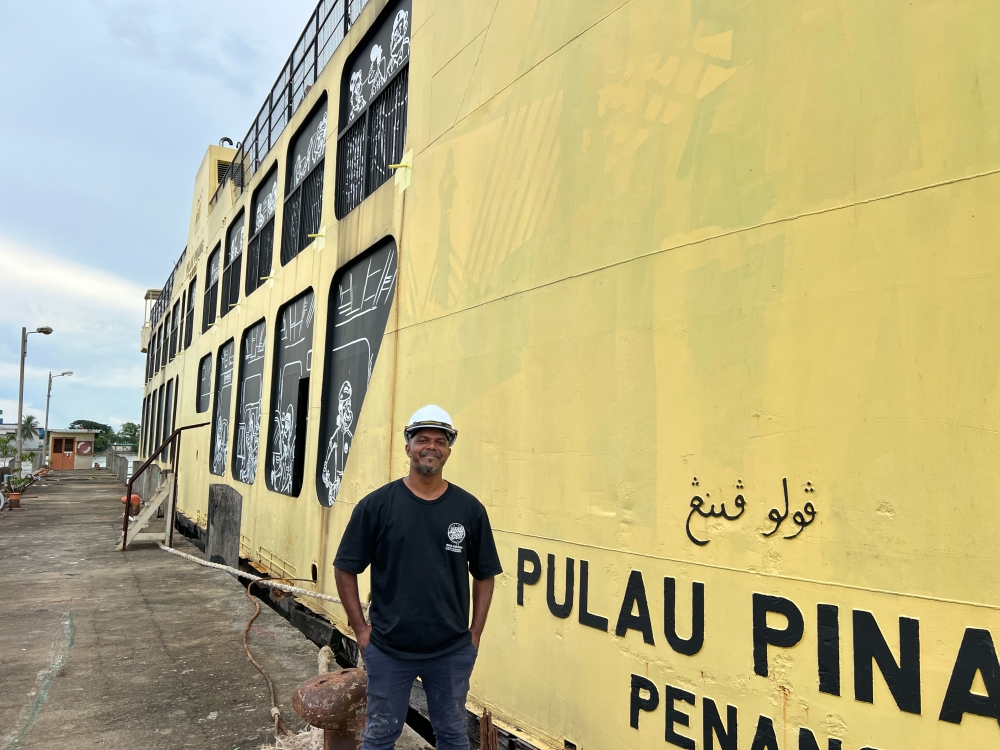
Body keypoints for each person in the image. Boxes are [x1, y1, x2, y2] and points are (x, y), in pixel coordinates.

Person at [334, 405, 502, 750]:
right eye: (422, 439)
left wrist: (475, 634)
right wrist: (361, 631)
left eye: (440, 441)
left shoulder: (469, 509)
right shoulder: (377, 506)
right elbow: (345, 567)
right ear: (408, 447)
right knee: (380, 736)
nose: (431, 447)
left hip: (452, 650)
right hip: (389, 648)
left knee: (454, 737)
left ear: (448, 451)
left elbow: (485, 574)